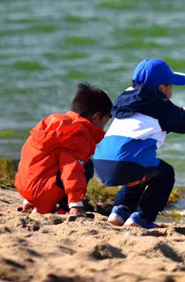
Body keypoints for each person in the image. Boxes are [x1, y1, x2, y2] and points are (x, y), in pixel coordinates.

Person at [93, 58, 185, 229]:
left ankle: (119, 212)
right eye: (170, 86)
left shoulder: (126, 99)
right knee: (164, 174)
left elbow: (146, 125)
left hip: (102, 161)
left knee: (142, 171)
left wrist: (174, 118)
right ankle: (142, 218)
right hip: (127, 162)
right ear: (161, 88)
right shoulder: (159, 105)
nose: (172, 90)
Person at [15, 82, 112, 215]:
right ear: (96, 117)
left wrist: (30, 197)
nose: (104, 128)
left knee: (49, 160)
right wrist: (76, 205)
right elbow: (72, 170)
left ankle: (31, 202)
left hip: (24, 185)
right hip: (43, 192)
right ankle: (63, 208)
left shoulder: (54, 122)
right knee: (86, 166)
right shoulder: (79, 135)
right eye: (105, 122)